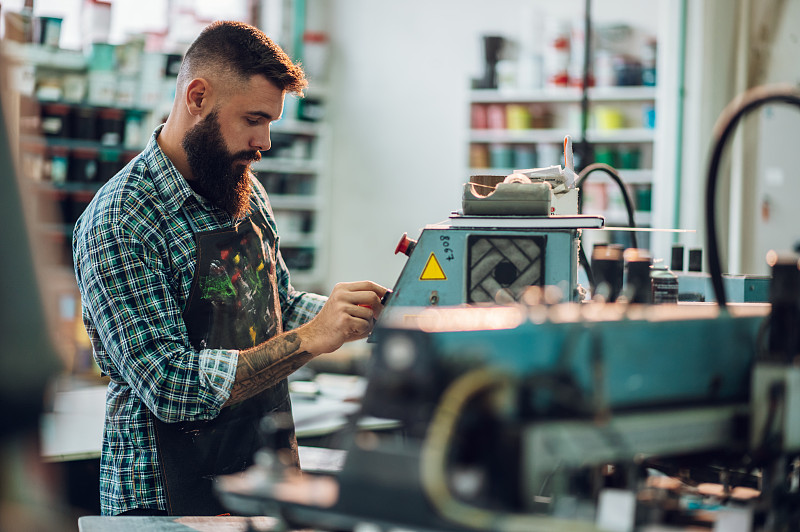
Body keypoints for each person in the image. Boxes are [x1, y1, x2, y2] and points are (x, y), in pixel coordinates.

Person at [72, 20, 387, 517]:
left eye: (271, 124)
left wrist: (349, 314)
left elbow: (274, 306)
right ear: (198, 97)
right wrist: (310, 338)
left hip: (262, 473)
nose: (264, 142)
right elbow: (171, 386)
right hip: (165, 503)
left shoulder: (241, 189)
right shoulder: (119, 221)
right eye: (253, 119)